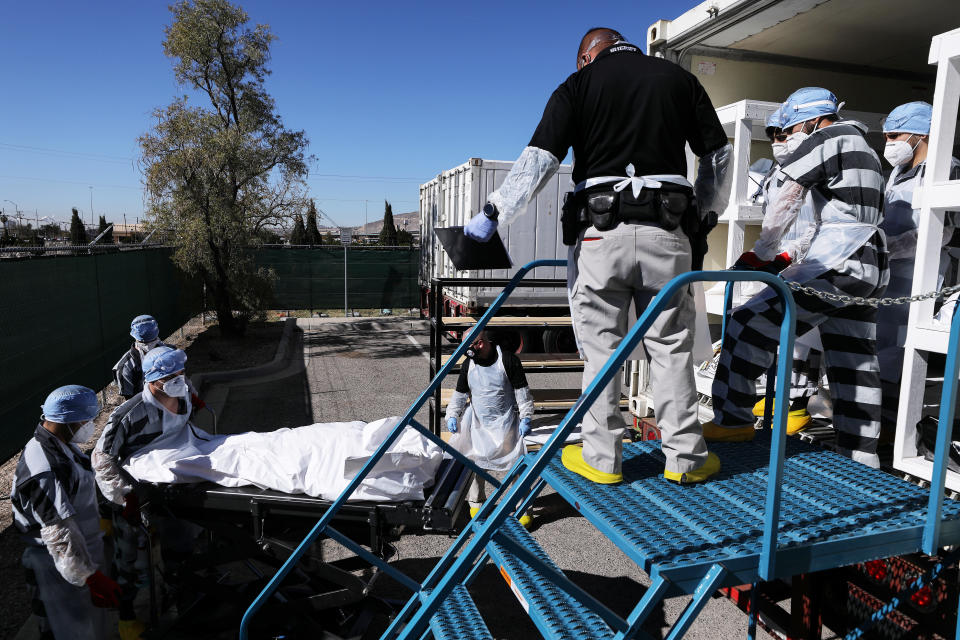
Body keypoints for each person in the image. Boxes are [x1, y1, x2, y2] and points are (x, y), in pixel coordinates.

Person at [463, 27, 730, 485]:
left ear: (587, 57)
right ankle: (685, 459)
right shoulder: (677, 79)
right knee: (670, 345)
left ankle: (603, 460)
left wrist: (492, 214)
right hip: (668, 232)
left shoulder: (578, 85)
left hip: (598, 236)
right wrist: (706, 212)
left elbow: (540, 160)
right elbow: (717, 155)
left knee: (602, 351)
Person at [706, 87, 889, 468]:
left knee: (747, 322)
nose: (788, 137)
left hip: (837, 262)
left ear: (810, 120)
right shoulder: (863, 145)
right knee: (853, 359)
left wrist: (764, 251)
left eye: (789, 129)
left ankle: (732, 421)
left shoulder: (827, 137)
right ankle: (861, 453)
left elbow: (790, 196)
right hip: (868, 264)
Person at [94, 345, 197, 635]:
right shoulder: (127, 417)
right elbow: (102, 462)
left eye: (181, 372)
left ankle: (175, 595)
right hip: (133, 496)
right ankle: (127, 618)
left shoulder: (184, 395)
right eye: (173, 375)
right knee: (130, 562)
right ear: (153, 380)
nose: (181, 379)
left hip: (171, 486)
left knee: (181, 546)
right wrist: (123, 497)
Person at [11, 385, 120, 639]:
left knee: (91, 627)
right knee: (71, 631)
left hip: (79, 556)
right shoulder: (45, 467)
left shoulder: (58, 443)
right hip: (58, 566)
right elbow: (58, 532)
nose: (90, 424)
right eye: (88, 420)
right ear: (70, 420)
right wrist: (89, 577)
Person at [877, 101, 960, 423]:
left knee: (903, 343)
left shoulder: (947, 168)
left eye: (895, 135)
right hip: (889, 270)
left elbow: (945, 230)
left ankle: (898, 420)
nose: (890, 144)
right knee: (883, 340)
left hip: (921, 272)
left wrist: (897, 245)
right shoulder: (898, 171)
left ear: (920, 134)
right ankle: (882, 416)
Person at [750, 105, 825, 435]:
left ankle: (797, 404)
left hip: (808, 264)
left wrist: (790, 254)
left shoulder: (818, 169)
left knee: (802, 340)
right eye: (776, 137)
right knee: (780, 336)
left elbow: (817, 223)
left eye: (785, 135)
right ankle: (778, 395)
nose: (779, 142)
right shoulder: (775, 173)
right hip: (781, 265)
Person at [445, 331, 534, 524]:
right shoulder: (469, 364)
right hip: (478, 423)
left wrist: (526, 417)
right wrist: (452, 414)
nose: (472, 350)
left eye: (474, 345)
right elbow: (460, 394)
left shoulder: (509, 360)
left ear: (483, 342)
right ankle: (476, 504)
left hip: (506, 422)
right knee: (474, 461)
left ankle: (523, 507)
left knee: (516, 464)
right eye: (468, 346)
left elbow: (522, 393)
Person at [114, 315, 165, 400]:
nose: (149, 345)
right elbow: (131, 401)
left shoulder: (169, 353)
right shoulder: (125, 367)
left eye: (152, 340)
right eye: (144, 342)